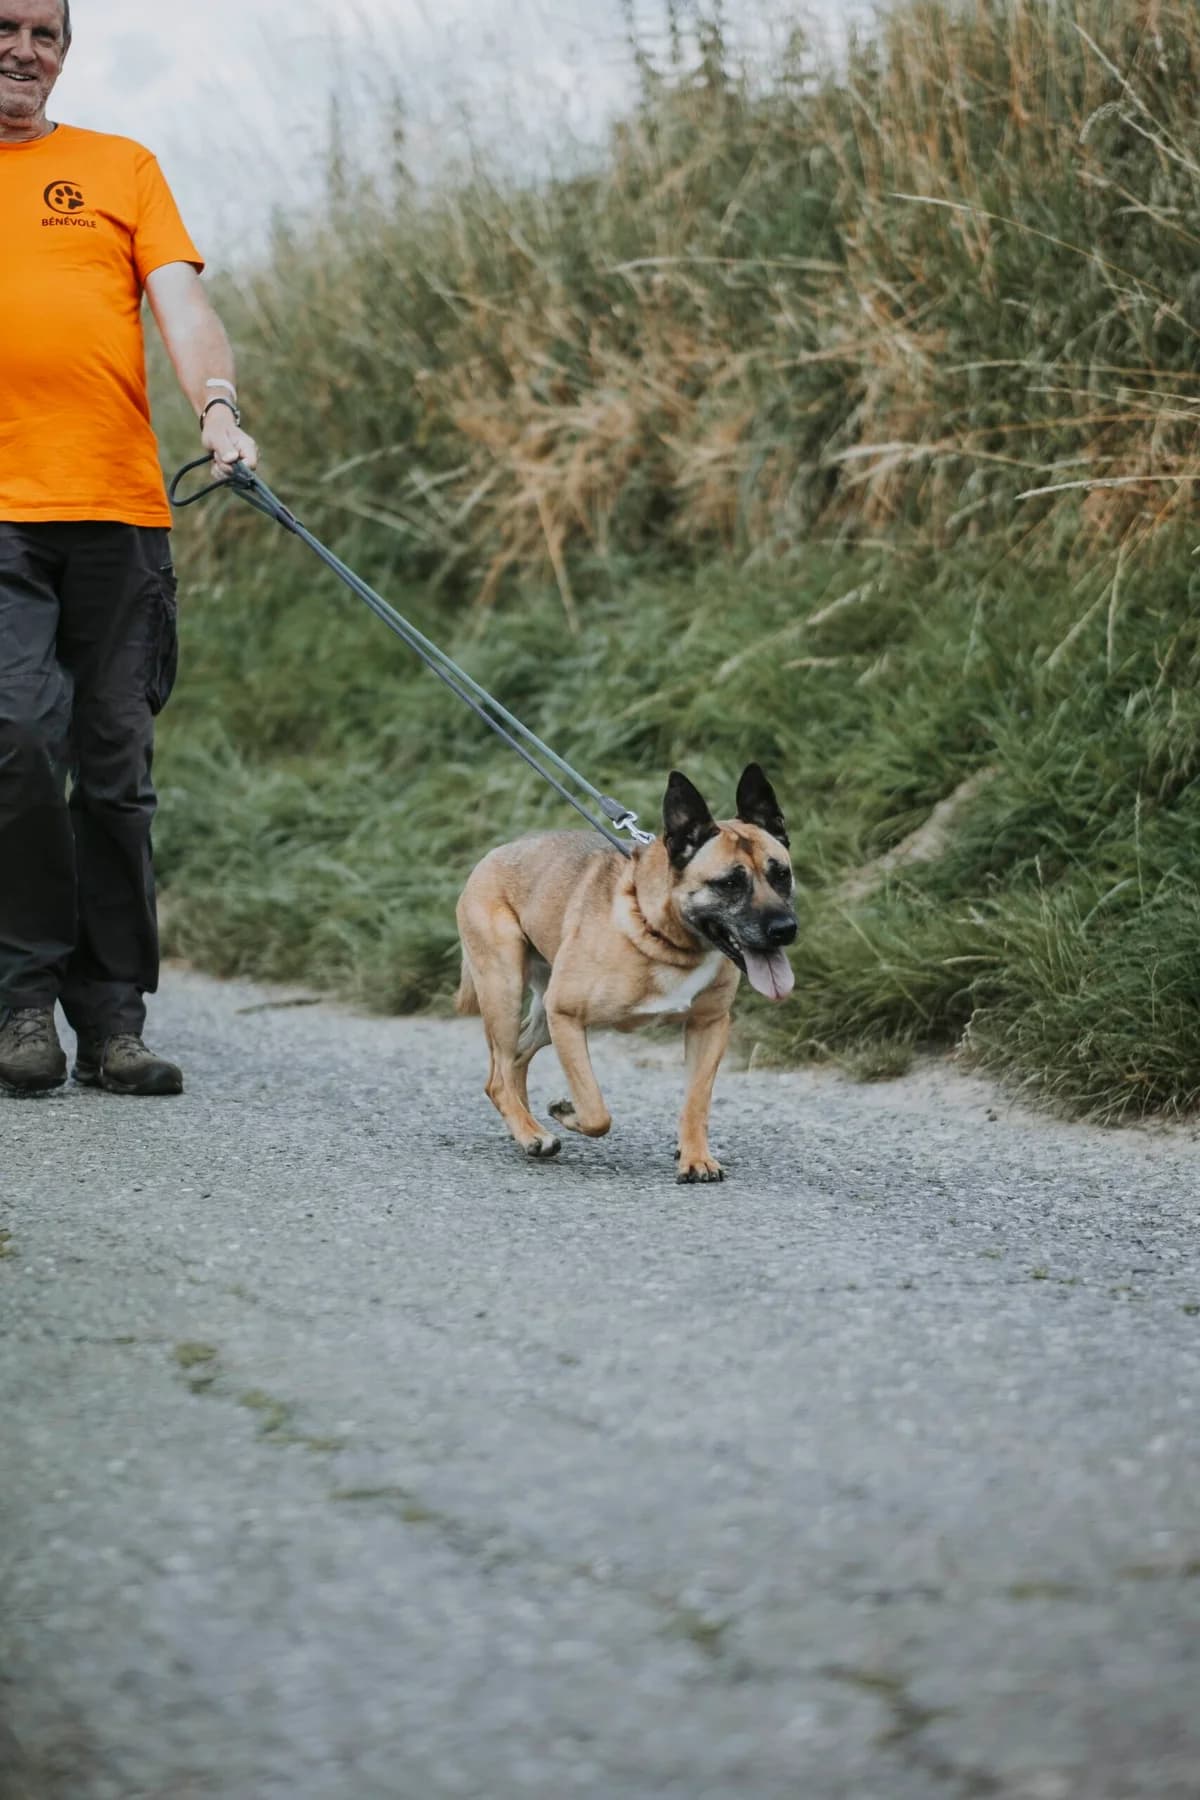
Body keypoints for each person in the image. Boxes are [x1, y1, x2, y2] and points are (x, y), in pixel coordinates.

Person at [0, 0, 258, 1096]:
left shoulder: (121, 166)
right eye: (3, 26)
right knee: (15, 744)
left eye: (43, 33)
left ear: (65, 52)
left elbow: (180, 299)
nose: (21, 49)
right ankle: (22, 999)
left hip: (118, 514)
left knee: (114, 772)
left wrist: (216, 406)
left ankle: (112, 1018)